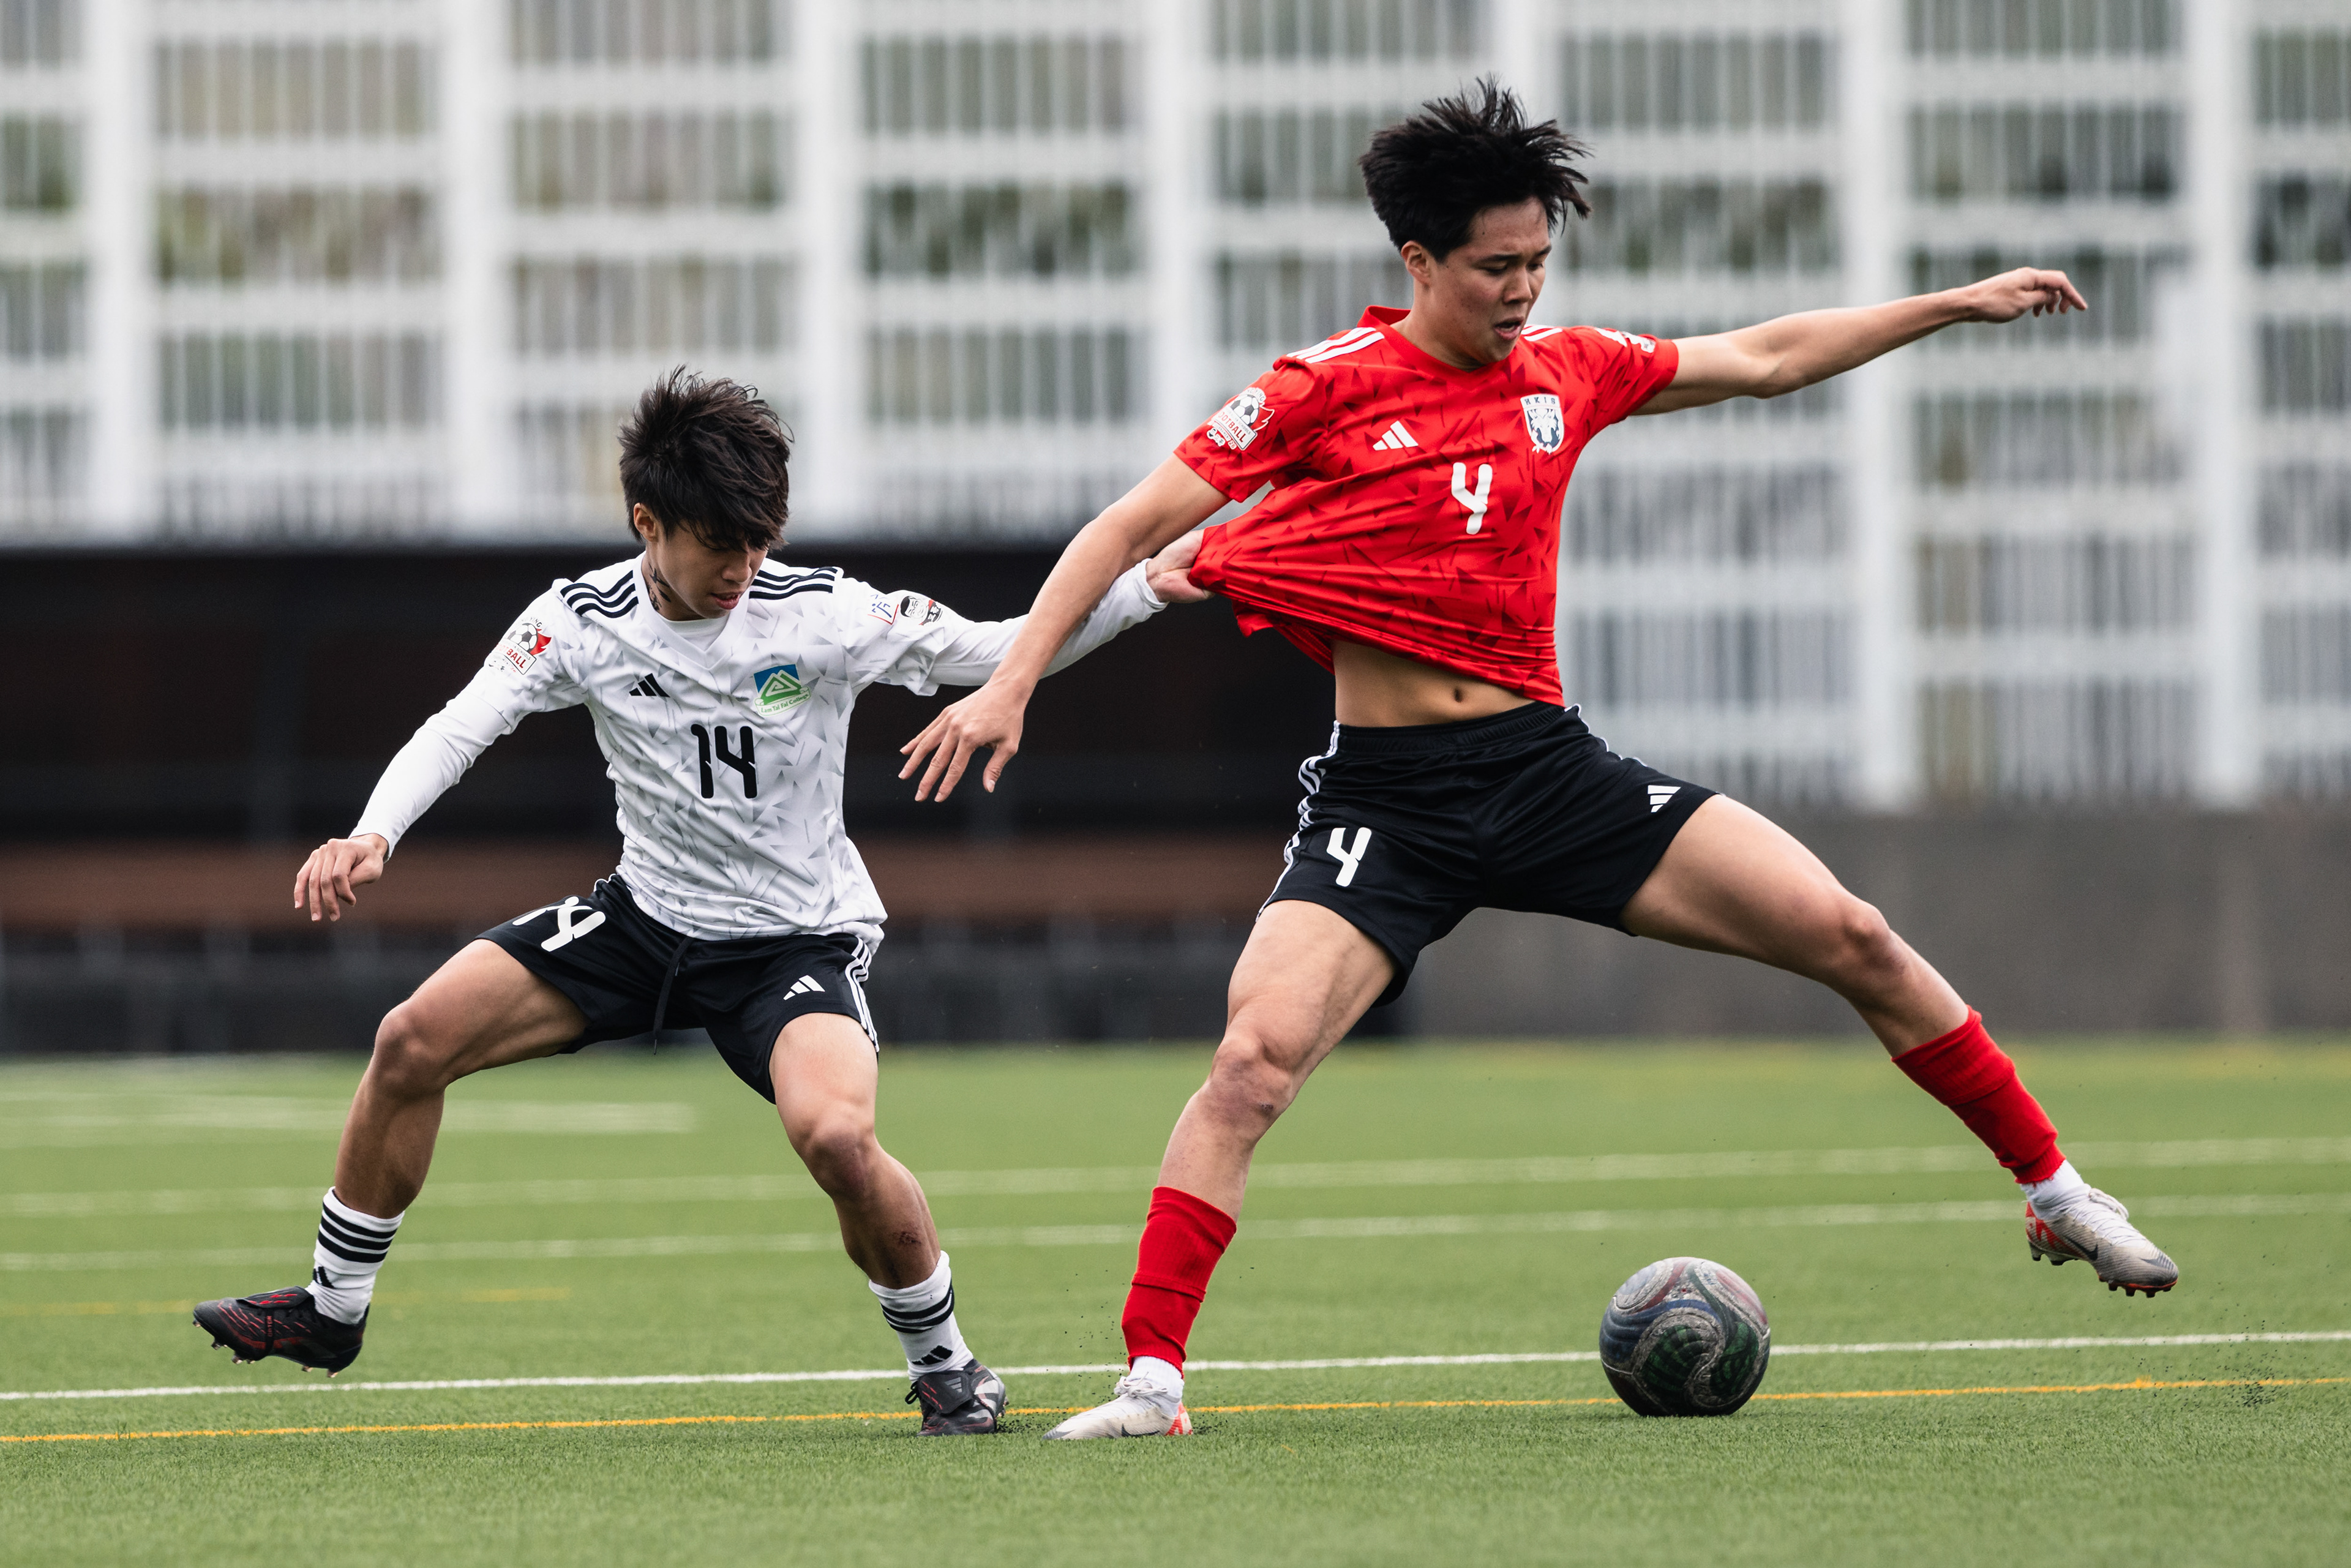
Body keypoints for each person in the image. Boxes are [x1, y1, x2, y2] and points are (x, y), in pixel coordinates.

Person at [898, 83, 2180, 1441]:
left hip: (1549, 774)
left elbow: (1768, 355)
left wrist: (1950, 305)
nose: (1522, 291)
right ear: (1419, 262)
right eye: (1496, 267)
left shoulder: (1569, 373)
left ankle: (2054, 1191)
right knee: (1253, 1063)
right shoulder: (1318, 390)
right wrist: (1013, 684)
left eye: (1538, 265)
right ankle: (1154, 1382)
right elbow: (1128, 524)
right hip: (1388, 803)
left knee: (1849, 930)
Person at [192, 370, 1198, 1436]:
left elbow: (999, 650)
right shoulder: (578, 620)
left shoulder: (825, 614)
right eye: (720, 543)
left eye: (760, 541)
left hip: (792, 943)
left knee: (838, 1139)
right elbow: (463, 721)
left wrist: (1138, 591)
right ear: (648, 522)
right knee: (410, 1039)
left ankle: (948, 1366)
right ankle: (331, 1311)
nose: (743, 568)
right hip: (642, 923)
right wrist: (373, 831)